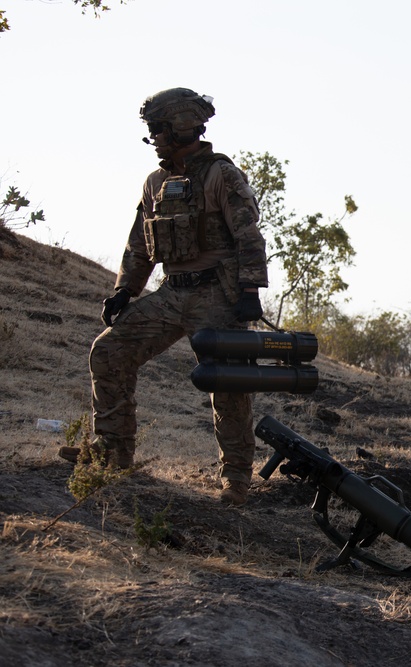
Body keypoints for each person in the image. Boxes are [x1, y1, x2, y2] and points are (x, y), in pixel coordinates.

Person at [59, 88, 269, 506]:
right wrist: (124, 290)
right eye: (151, 130)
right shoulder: (155, 182)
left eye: (158, 128)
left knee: (228, 385)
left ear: (183, 125)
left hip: (218, 295)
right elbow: (140, 244)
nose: (154, 137)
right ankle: (112, 455)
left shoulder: (220, 174)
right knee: (109, 352)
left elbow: (248, 234)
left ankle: (237, 479)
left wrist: (249, 290)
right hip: (172, 293)